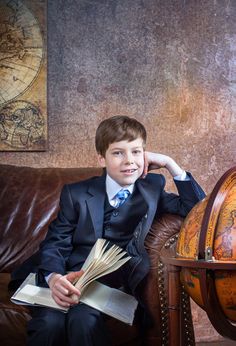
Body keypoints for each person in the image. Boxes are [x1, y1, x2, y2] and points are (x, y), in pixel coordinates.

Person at [14, 115, 205, 346]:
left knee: (84, 320)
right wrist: (54, 278)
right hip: (65, 274)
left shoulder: (151, 190)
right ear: (101, 158)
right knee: (49, 324)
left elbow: (198, 210)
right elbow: (55, 242)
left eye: (135, 152)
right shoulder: (77, 193)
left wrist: (169, 163)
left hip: (107, 285)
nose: (129, 161)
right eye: (117, 153)